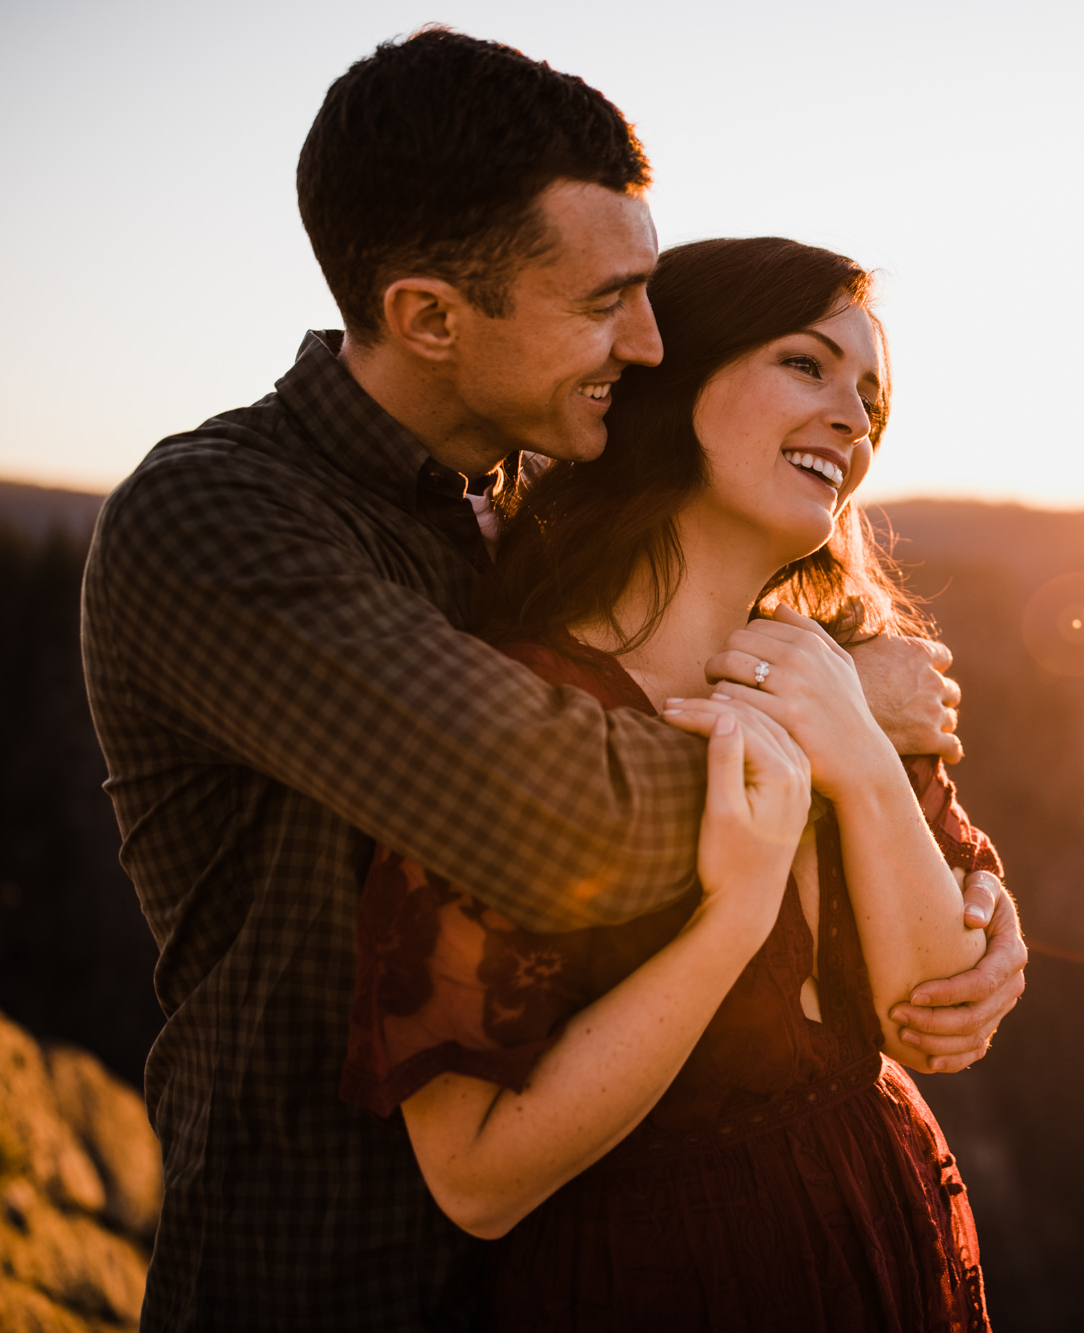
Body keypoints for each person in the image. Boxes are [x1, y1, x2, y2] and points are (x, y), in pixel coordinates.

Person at [79, 30, 1023, 1331]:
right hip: (332, 1269)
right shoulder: (223, 522)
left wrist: (953, 875)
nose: (646, 343)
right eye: (603, 302)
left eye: (647, 291)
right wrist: (839, 735)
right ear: (428, 316)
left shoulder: (532, 504)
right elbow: (557, 810)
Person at [344, 236, 997, 1330]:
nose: (854, 417)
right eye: (805, 363)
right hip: (657, 1284)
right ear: (675, 376)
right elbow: (474, 1177)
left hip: (883, 1256)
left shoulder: (844, 669)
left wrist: (858, 753)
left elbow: (929, 1016)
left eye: (870, 397)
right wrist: (731, 916)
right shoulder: (520, 717)